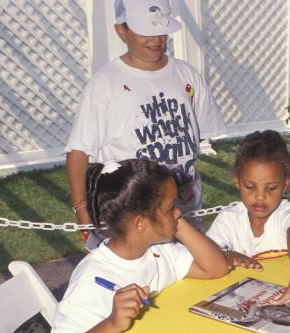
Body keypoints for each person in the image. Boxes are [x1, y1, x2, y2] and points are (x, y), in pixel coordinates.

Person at [42, 159, 229, 333]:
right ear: (141, 223)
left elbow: (216, 267)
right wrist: (111, 324)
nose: (177, 212)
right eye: (170, 208)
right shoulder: (95, 278)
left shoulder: (156, 251)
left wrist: (175, 222)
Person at [66, 0, 227, 247]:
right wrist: (81, 208)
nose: (156, 39)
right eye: (145, 31)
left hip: (183, 212)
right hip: (132, 220)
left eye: (161, 30)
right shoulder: (104, 84)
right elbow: (78, 151)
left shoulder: (188, 76)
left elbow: (198, 133)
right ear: (121, 30)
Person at [206, 130, 290, 313]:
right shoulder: (228, 219)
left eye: (271, 188)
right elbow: (204, 254)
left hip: (286, 296)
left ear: (286, 182)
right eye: (250, 187)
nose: (260, 196)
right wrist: (223, 255)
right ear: (237, 181)